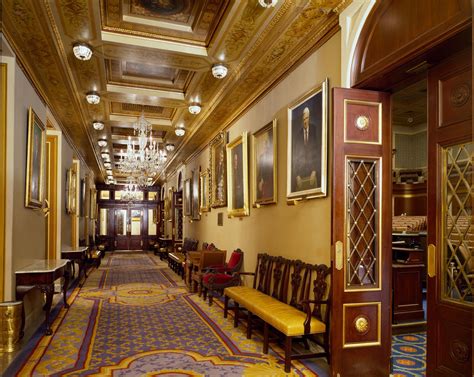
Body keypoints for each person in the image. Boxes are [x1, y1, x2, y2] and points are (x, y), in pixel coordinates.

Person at [292, 100, 321, 192]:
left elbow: (318, 152)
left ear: (309, 118)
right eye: (304, 119)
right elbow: (295, 157)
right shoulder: (298, 135)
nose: (305, 121)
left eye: (307, 118)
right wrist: (297, 176)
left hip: (312, 171)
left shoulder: (314, 130)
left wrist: (314, 171)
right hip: (301, 174)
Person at [256, 132, 273, 201]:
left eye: (266, 145)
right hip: (263, 183)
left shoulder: (271, 155)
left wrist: (263, 180)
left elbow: (270, 170)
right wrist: (260, 181)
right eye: (264, 145)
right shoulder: (261, 157)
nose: (265, 147)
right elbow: (260, 171)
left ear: (268, 146)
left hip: (269, 181)